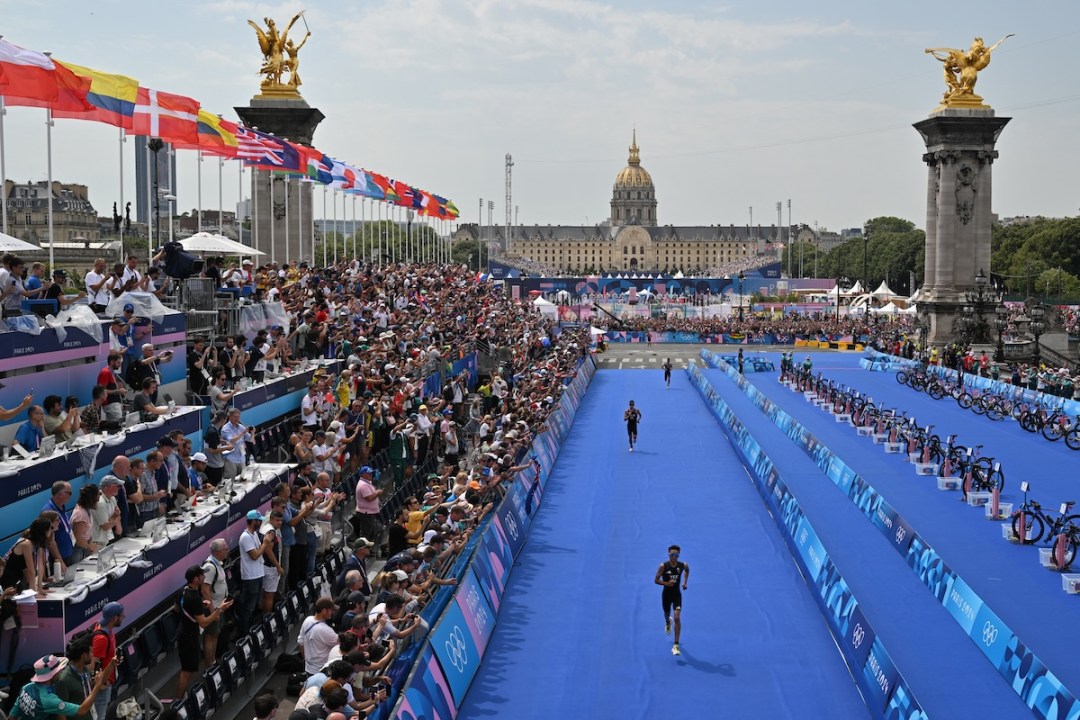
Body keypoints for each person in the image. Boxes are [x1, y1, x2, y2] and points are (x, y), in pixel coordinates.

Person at [176, 565, 233, 698]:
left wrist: (198, 608)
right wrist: (220, 609)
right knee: (187, 671)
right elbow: (204, 622)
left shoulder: (183, 591)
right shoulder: (195, 597)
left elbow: (177, 607)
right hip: (189, 637)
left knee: (187, 669)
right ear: (196, 579)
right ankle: (177, 703)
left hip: (184, 632)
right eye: (202, 575)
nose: (204, 577)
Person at [9, 653, 113, 720]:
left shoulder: (26, 688)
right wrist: (97, 686)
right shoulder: (49, 700)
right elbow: (82, 711)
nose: (61, 672)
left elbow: (12, 716)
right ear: (52, 675)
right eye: (59, 671)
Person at [238, 510, 274, 635]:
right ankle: (245, 632)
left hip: (258, 573)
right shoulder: (245, 537)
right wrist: (266, 543)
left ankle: (252, 629)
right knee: (249, 607)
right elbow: (255, 555)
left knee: (254, 605)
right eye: (259, 521)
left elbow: (260, 550)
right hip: (251, 576)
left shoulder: (253, 534)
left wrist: (263, 545)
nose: (260, 523)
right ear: (253, 521)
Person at [89, 602, 124, 719]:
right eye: (122, 616)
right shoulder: (101, 638)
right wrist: (98, 685)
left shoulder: (106, 629)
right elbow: (92, 667)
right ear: (115, 618)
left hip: (107, 681)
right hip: (101, 687)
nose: (124, 618)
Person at [654, 544, 689, 656]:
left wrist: (684, 582)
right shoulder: (663, 566)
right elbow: (656, 580)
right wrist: (666, 584)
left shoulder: (682, 565)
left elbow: (687, 570)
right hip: (666, 595)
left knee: (677, 617)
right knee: (667, 613)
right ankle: (667, 622)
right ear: (669, 554)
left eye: (676, 555)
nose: (674, 557)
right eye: (672, 555)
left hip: (677, 595)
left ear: (679, 555)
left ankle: (676, 645)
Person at [201, 539, 230, 668]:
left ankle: (213, 660)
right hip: (212, 608)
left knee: (215, 634)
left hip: (219, 607)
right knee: (210, 636)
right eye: (225, 549)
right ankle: (209, 666)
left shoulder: (217, 563)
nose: (228, 551)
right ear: (218, 552)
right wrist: (213, 612)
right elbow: (205, 590)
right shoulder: (210, 567)